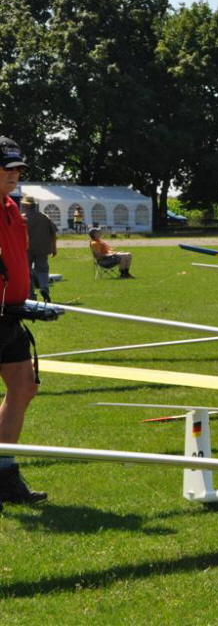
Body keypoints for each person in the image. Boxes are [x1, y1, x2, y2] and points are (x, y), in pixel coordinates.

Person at [0, 136, 46, 509]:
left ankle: (4, 474)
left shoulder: (13, 208)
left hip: (12, 313)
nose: (15, 175)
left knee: (24, 386)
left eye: (18, 169)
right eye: (8, 168)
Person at [22, 196, 58, 303]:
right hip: (43, 248)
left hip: (27, 249)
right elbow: (54, 233)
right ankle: (44, 288)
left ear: (26, 205)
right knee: (43, 270)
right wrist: (54, 248)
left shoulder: (22, 218)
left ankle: (31, 294)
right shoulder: (45, 217)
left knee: (27, 271)